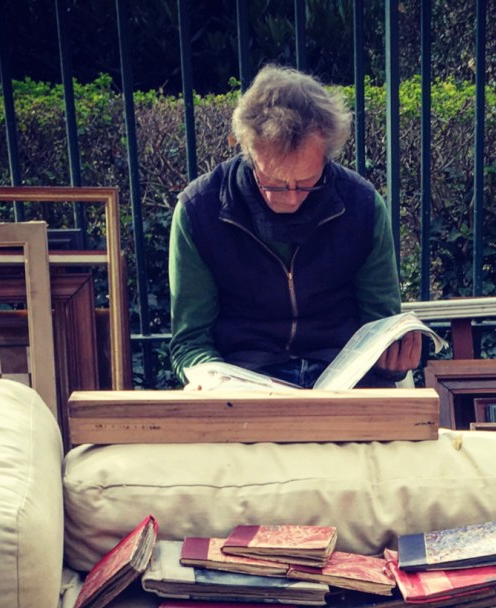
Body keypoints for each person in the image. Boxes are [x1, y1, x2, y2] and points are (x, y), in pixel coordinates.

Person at [168, 65, 421, 388]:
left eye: (305, 183)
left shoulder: (363, 206)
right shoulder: (198, 211)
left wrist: (391, 360)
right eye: (272, 183)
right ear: (248, 151)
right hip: (244, 379)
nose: (289, 199)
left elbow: (379, 325)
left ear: (327, 157)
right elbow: (190, 341)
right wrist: (210, 376)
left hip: (345, 379)